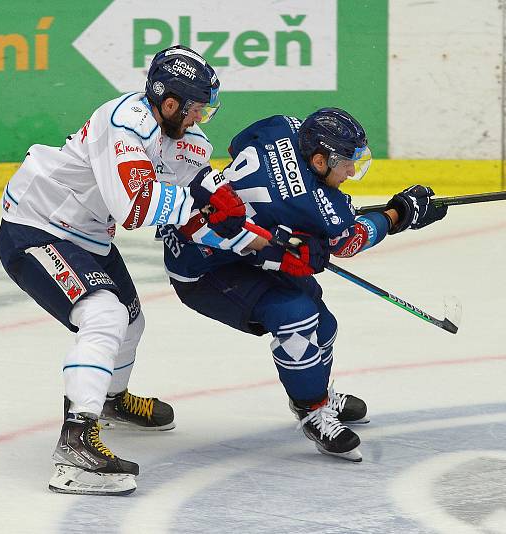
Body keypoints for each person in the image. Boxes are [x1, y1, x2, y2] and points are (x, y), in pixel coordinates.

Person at [0, 45, 250, 495]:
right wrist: (203, 206)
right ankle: (74, 445)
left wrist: (252, 239)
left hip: (87, 234)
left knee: (131, 317)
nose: (199, 118)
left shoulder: (186, 140)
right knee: (104, 314)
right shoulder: (125, 123)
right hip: (36, 225)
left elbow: (197, 191)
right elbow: (134, 207)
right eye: (195, 108)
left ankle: (110, 401)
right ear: (168, 101)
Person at [158, 108, 448, 461]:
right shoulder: (322, 207)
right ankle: (313, 412)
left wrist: (282, 228)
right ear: (319, 158)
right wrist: (399, 214)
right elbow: (347, 242)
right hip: (203, 267)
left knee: (324, 325)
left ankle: (315, 394)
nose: (352, 171)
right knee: (296, 317)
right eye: (345, 163)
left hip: (230, 246)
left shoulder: (279, 126)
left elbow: (237, 147)